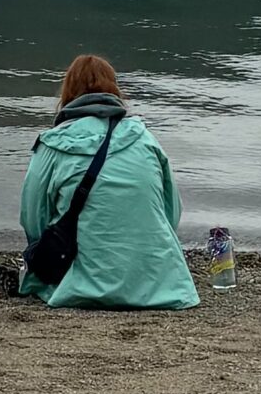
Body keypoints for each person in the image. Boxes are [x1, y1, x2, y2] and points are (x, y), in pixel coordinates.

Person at [16, 54, 198, 309]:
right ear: (115, 89)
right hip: (159, 282)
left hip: (78, 285)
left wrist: (46, 253)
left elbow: (33, 216)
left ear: (67, 91)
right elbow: (171, 211)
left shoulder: (52, 144)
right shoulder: (145, 138)